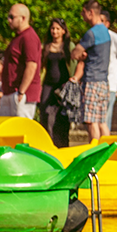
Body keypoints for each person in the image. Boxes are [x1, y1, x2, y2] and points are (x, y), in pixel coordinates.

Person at [71, 0, 116, 141]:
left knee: (91, 121)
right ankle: (107, 151)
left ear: (90, 12)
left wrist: (81, 55)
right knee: (102, 121)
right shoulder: (105, 31)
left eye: (83, 12)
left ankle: (95, 149)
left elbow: (75, 53)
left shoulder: (91, 34)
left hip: (91, 81)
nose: (82, 16)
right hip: (103, 81)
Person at [1, 4, 44, 119]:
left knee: (20, 130)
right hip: (11, 92)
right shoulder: (18, 37)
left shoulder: (29, 37)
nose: (9, 20)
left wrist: (21, 91)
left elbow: (31, 65)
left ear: (23, 18)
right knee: (6, 131)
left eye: (12, 17)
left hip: (22, 94)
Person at [40, 18, 75, 146]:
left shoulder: (69, 47)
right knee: (46, 112)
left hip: (64, 86)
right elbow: (41, 67)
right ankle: (48, 143)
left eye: (57, 29)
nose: (54, 31)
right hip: (48, 85)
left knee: (63, 116)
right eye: (52, 28)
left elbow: (77, 63)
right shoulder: (45, 47)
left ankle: (63, 143)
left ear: (64, 31)